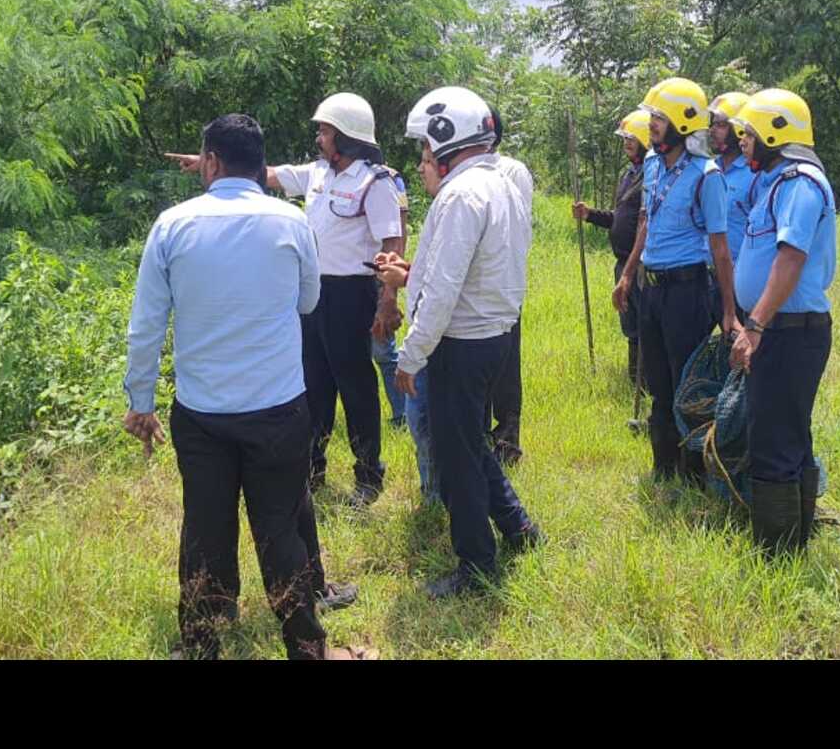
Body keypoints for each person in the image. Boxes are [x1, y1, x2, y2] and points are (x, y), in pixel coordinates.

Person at [127, 113, 367, 661]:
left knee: (205, 530)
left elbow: (145, 327)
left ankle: (202, 645)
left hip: (202, 413)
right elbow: (308, 302)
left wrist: (141, 404)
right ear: (262, 165)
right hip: (278, 410)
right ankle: (307, 648)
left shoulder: (172, 225)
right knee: (281, 529)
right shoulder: (290, 223)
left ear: (210, 162)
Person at [376, 86, 543, 599]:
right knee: (471, 442)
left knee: (457, 459)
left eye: (425, 150)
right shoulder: (503, 184)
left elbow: (443, 290)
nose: (423, 161)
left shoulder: (461, 195)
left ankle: (476, 566)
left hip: (459, 344)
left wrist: (412, 354)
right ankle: (518, 528)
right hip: (492, 337)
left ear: (445, 141)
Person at [728, 89, 838, 559]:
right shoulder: (778, 181)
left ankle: (777, 554)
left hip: (789, 333)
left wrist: (754, 325)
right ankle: (795, 537)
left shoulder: (799, 182)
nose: (744, 141)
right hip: (782, 329)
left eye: (750, 133)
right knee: (787, 432)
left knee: (774, 439)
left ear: (775, 132)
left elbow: (790, 258)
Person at [612, 77, 738, 483]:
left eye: (658, 118)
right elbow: (646, 222)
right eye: (652, 116)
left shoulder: (708, 176)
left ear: (683, 124)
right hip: (652, 289)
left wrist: (729, 311)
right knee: (658, 382)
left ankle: (695, 474)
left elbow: (720, 248)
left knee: (688, 383)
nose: (650, 124)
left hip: (688, 291)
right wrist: (628, 275)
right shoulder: (650, 165)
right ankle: (663, 467)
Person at [574, 109, 650, 385]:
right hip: (622, 263)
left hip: (641, 264)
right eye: (625, 138)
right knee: (630, 323)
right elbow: (620, 219)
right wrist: (590, 214)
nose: (627, 143)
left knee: (644, 325)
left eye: (632, 138)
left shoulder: (652, 177)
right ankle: (635, 381)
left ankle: (646, 382)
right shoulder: (629, 175)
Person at [485, 105, 531, 466]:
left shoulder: (512, 171)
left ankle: (507, 441)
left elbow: (514, 233)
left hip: (502, 286)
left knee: (504, 368)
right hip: (470, 292)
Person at [708, 91, 754, 325]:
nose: (713, 131)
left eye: (722, 125)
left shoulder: (754, 174)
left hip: (739, 279)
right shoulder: (708, 170)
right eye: (713, 125)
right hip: (704, 277)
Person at [371, 164, 410, 427]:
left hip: (377, 276)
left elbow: (400, 232)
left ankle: (402, 416)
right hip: (340, 282)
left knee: (383, 350)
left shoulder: (389, 179)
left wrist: (390, 291)